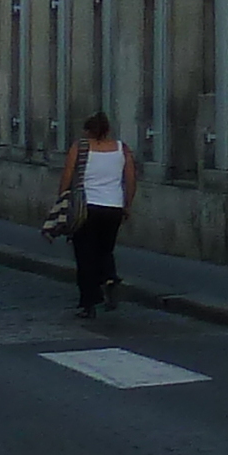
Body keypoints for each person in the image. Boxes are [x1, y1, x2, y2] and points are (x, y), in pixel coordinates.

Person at [58, 112, 136, 319]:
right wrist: (127, 204)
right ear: (108, 130)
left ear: (88, 130)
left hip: (87, 207)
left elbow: (67, 176)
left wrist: (62, 202)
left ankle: (88, 302)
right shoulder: (122, 149)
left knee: (85, 255)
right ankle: (109, 278)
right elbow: (130, 179)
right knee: (105, 249)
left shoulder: (80, 147)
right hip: (113, 207)